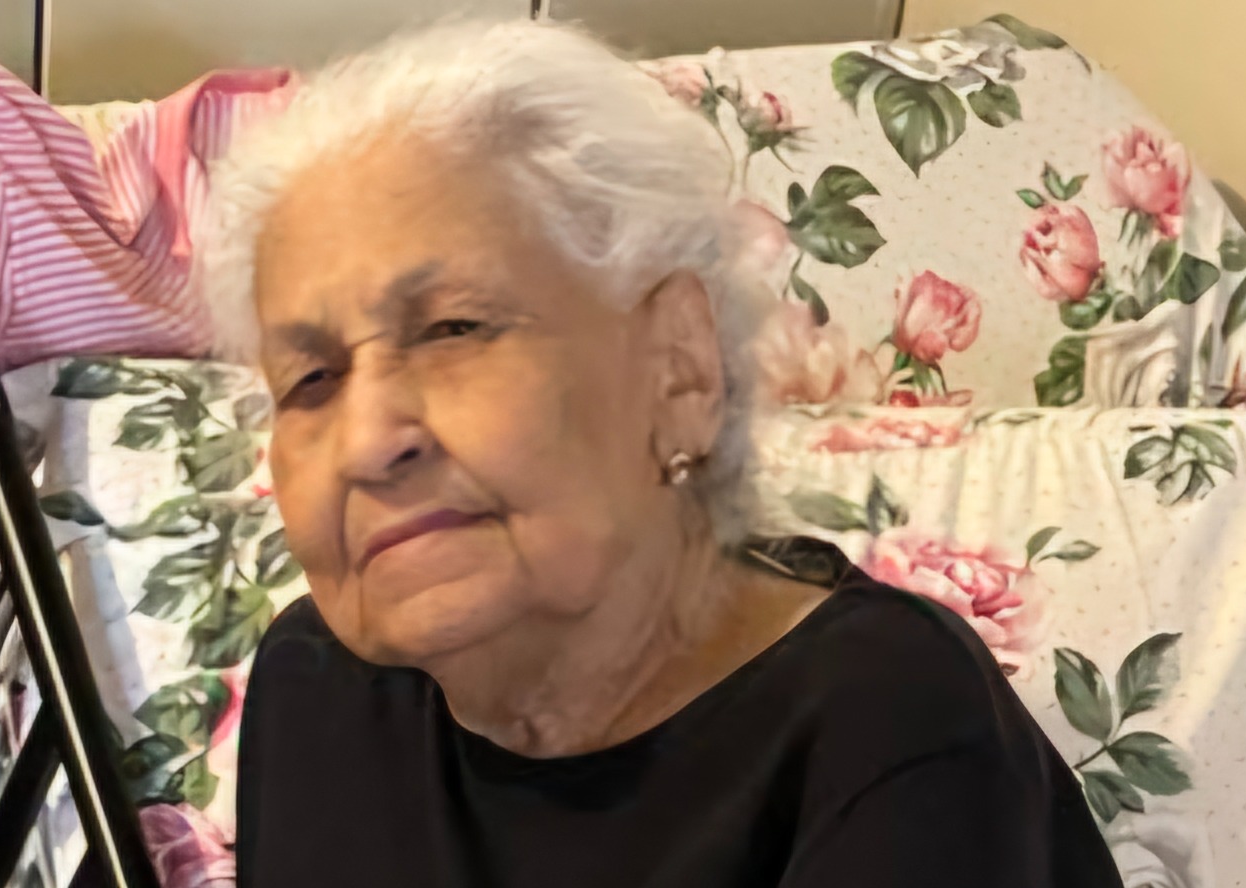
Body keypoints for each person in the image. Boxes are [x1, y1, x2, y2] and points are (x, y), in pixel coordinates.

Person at [201, 18, 1124, 888]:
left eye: (454, 328)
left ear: (678, 367)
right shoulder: (316, 684)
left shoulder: (890, 729)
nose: (368, 441)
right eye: (309, 380)